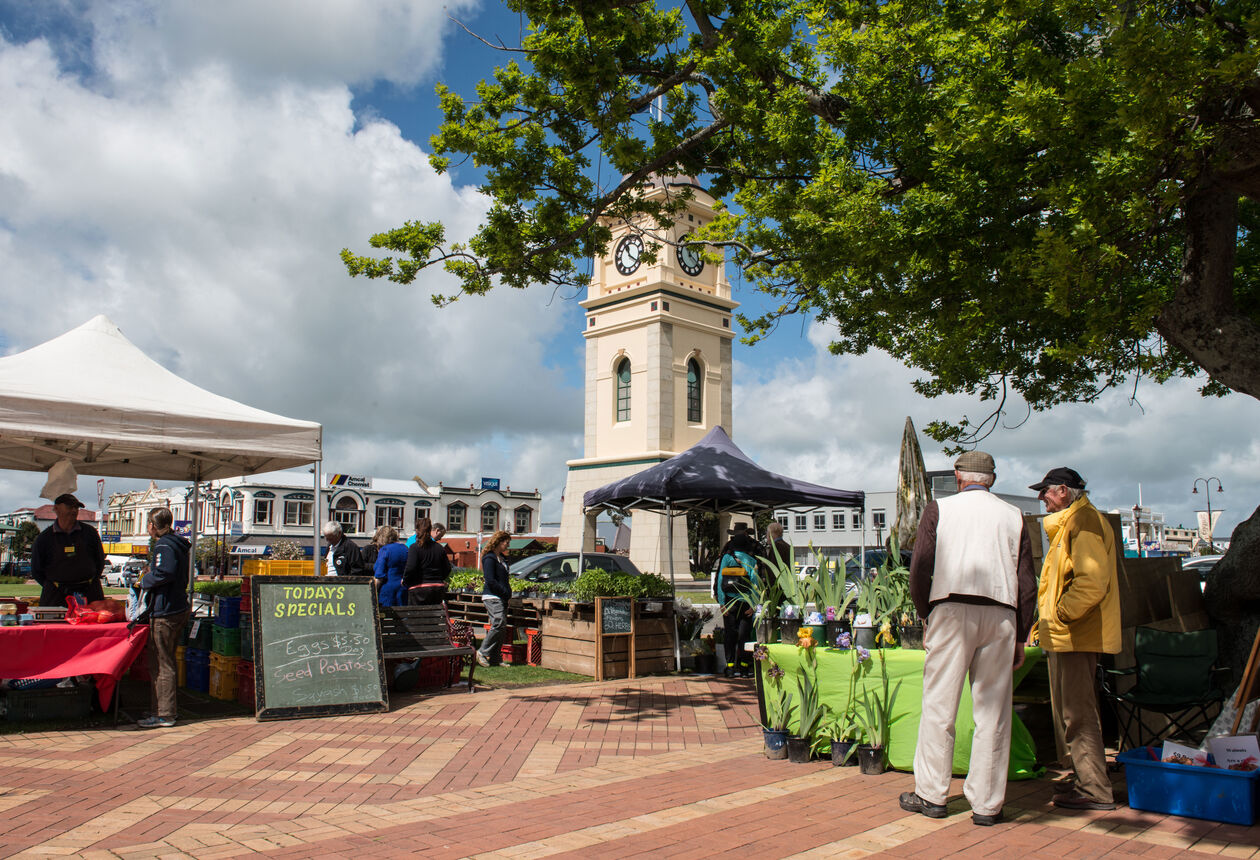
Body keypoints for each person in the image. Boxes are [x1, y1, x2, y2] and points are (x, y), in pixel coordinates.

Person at [898, 451, 1036, 826]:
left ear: (959, 476)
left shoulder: (939, 508)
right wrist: (1022, 634)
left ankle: (932, 794)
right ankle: (987, 804)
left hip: (951, 607)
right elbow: (1027, 582)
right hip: (1002, 612)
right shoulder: (1014, 515)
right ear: (991, 478)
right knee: (993, 712)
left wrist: (925, 613)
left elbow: (921, 566)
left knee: (940, 705)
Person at [1030, 466, 1121, 811]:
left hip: (1076, 635)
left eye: (1046, 491)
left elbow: (1091, 583)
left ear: (1064, 491)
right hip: (1072, 634)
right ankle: (1090, 782)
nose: (1043, 498)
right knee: (1077, 713)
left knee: (1078, 714)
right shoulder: (1076, 522)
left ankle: (1095, 789)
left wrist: (1060, 615)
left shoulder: (1082, 523)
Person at [137, 507, 191, 729]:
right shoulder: (177, 544)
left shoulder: (164, 545)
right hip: (176, 607)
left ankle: (164, 713)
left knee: (161, 663)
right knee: (165, 661)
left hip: (166, 610)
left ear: (153, 524)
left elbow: (164, 572)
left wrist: (144, 581)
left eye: (149, 524)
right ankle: (161, 709)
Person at [30, 493, 106, 608]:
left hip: (89, 593)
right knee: (55, 625)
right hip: (56, 595)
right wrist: (55, 585)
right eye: (70, 507)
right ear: (56, 509)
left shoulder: (90, 533)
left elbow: (99, 562)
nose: (74, 510)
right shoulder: (44, 538)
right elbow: (36, 570)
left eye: (76, 507)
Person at [714, 521, 763, 678]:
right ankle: (744, 668)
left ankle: (729, 668)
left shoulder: (727, 556)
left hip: (729, 602)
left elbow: (721, 579)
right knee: (744, 636)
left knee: (730, 635)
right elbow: (756, 584)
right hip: (746, 603)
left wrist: (722, 603)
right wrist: (754, 605)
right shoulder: (752, 560)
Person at [476, 530, 512, 667]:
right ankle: (482, 652)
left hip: (502, 596)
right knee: (498, 622)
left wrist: (507, 593)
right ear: (499, 542)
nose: (508, 546)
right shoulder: (489, 558)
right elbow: (490, 580)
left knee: (501, 627)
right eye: (506, 543)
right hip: (492, 596)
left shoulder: (503, 559)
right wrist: (503, 591)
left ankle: (496, 657)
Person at [403, 518, 452, 604]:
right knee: (434, 614)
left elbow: (411, 567)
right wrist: (439, 579)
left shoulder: (414, 547)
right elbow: (447, 568)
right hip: (437, 588)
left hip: (419, 588)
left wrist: (406, 580)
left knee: (417, 615)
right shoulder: (439, 548)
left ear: (417, 530)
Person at [372, 526, 408, 607]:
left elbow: (379, 576)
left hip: (388, 592)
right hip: (403, 590)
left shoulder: (385, 550)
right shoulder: (405, 548)